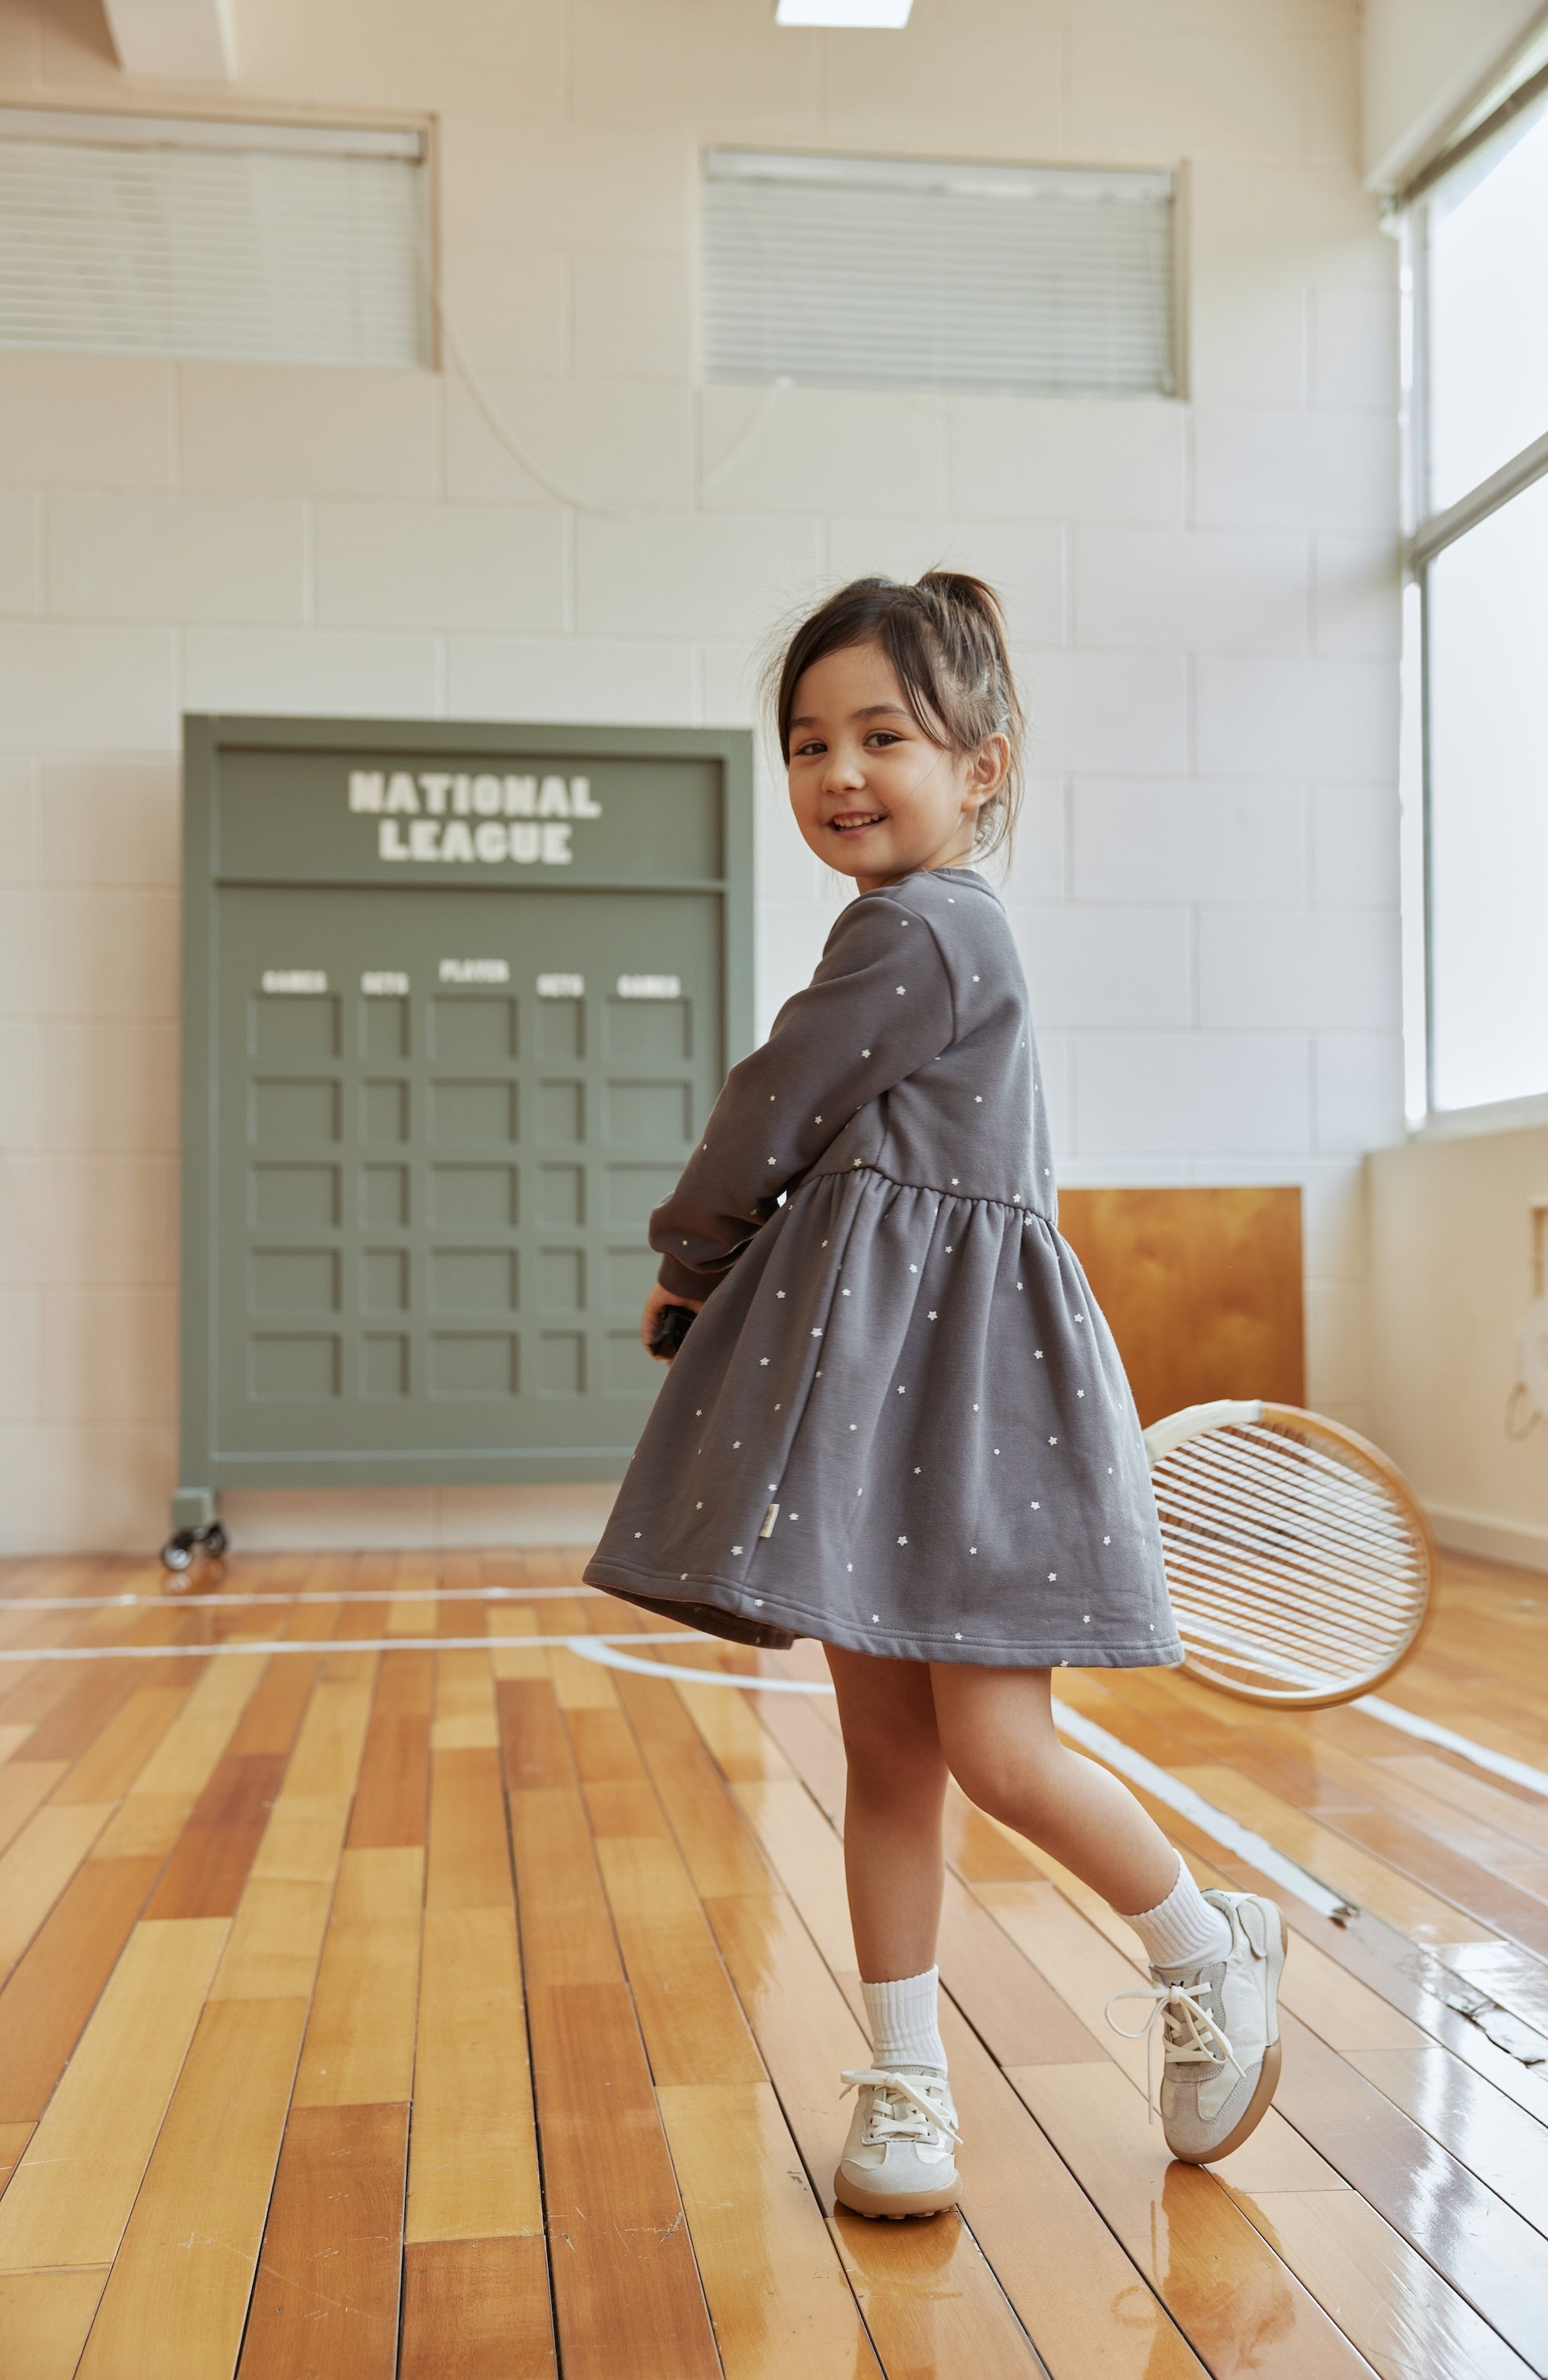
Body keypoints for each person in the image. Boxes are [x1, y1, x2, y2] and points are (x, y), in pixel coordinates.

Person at [584, 572, 1286, 2214]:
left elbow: (772, 1105)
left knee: (996, 1749)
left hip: (966, 1404)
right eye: (810, 742)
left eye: (882, 735)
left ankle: (1205, 1941)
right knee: (888, 1757)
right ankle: (903, 2082)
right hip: (893, 1402)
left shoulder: (920, 928)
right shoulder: (916, 926)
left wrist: (690, 1255)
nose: (840, 770)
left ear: (982, 762)